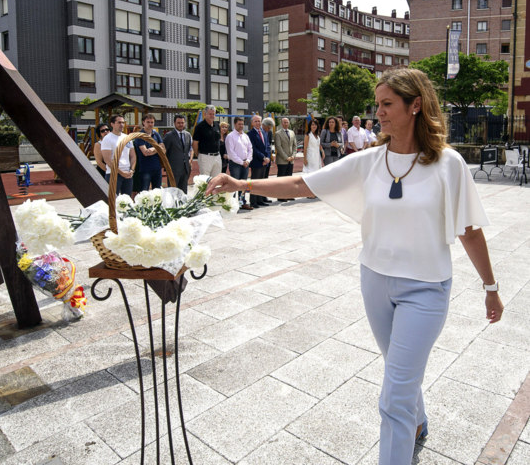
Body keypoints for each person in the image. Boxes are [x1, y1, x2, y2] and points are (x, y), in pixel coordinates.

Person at [205, 67, 503, 465]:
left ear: (416, 105)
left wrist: (490, 287)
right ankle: (417, 421)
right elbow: (301, 184)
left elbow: (468, 230)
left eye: (387, 104)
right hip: (376, 283)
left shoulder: (448, 164)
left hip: (427, 289)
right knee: (399, 372)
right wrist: (242, 185)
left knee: (393, 393)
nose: (378, 112)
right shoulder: (368, 161)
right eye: (377, 104)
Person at [101, 115, 136, 195]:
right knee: (113, 200)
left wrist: (132, 170)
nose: (122, 125)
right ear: (112, 124)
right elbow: (107, 160)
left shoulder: (127, 137)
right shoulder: (107, 139)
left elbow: (133, 156)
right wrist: (121, 172)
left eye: (123, 122)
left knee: (127, 201)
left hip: (128, 174)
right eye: (119, 122)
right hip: (113, 174)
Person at [225, 117, 253, 210]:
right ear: (234, 124)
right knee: (234, 185)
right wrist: (242, 162)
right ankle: (233, 205)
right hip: (236, 164)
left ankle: (242, 203)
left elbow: (250, 149)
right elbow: (231, 153)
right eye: (239, 124)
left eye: (242, 124)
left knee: (244, 185)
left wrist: (248, 161)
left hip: (245, 163)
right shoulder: (230, 136)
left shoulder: (246, 136)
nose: (241, 126)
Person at [132, 113, 165, 191]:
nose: (150, 124)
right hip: (145, 170)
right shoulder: (140, 136)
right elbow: (146, 153)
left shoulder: (156, 134)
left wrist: (153, 149)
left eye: (152, 122)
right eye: (148, 122)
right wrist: (158, 148)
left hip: (157, 169)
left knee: (157, 193)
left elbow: (163, 149)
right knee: (144, 193)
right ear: (143, 122)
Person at [163, 114, 194, 193]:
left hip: (185, 168)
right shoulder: (169, 136)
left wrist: (190, 160)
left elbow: (190, 149)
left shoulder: (188, 135)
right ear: (174, 123)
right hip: (173, 169)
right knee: (172, 192)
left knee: (183, 192)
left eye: (182, 123)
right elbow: (164, 152)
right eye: (179, 123)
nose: (181, 125)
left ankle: (183, 205)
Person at [247, 115, 271, 208]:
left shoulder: (264, 132)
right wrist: (263, 158)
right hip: (257, 162)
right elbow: (253, 148)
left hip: (265, 162)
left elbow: (268, 146)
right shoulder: (250, 134)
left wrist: (268, 157)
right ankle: (253, 201)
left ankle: (260, 200)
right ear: (252, 123)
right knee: (254, 182)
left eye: (259, 121)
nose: (258, 123)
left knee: (262, 182)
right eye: (256, 121)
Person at [193, 105, 222, 177]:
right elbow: (195, 143)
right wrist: (199, 155)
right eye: (210, 114)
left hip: (217, 157)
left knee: (216, 181)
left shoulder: (217, 125)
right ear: (205, 114)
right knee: (205, 182)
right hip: (205, 157)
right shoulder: (199, 127)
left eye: (213, 114)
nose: (212, 116)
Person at [274, 117, 297, 202]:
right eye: (284, 122)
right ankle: (281, 196)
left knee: (289, 179)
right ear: (281, 123)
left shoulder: (292, 132)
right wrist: (286, 157)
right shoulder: (278, 133)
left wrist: (293, 156)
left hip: (291, 160)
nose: (286, 124)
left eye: (287, 122)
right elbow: (278, 147)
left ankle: (289, 195)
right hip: (282, 160)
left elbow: (295, 145)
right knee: (281, 179)